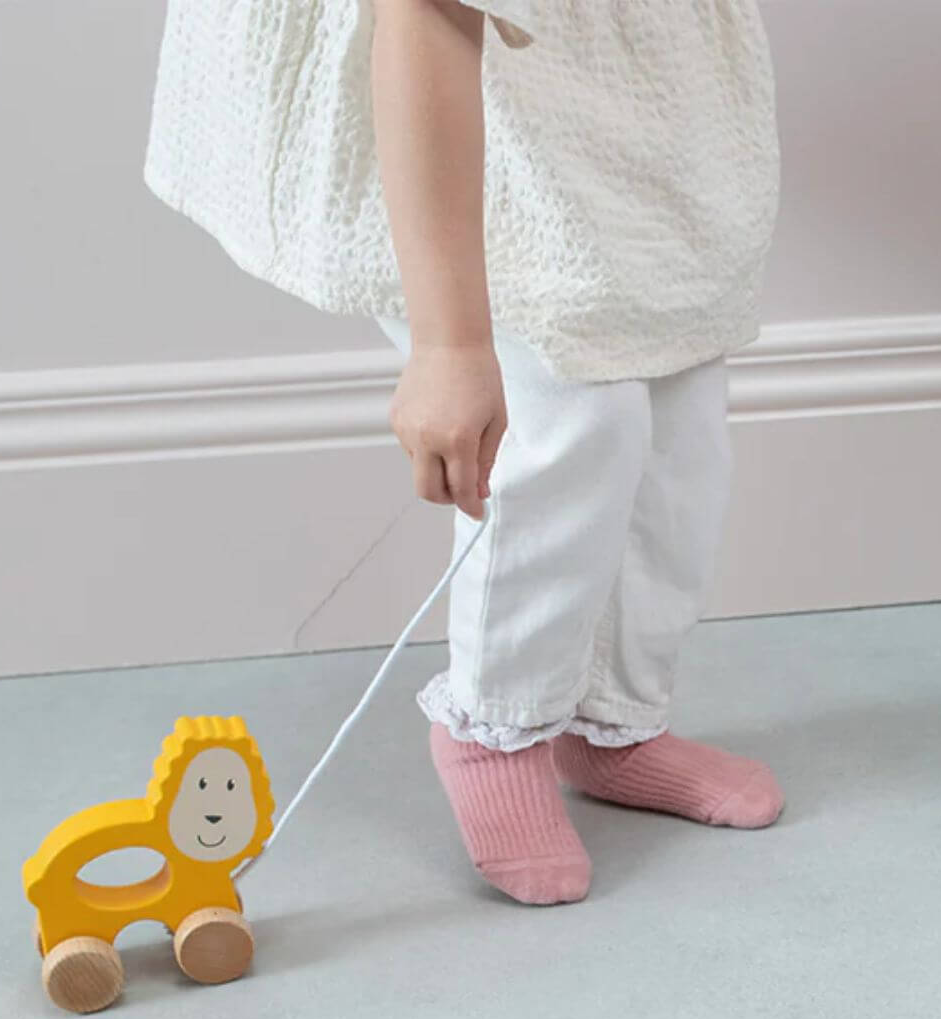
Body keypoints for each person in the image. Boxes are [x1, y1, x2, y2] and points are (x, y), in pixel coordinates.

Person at [147, 0, 785, 904]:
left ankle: (613, 722)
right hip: (434, 87)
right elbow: (424, 23)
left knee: (680, 418)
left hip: (614, 73)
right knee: (570, 415)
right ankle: (497, 725)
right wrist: (448, 345)